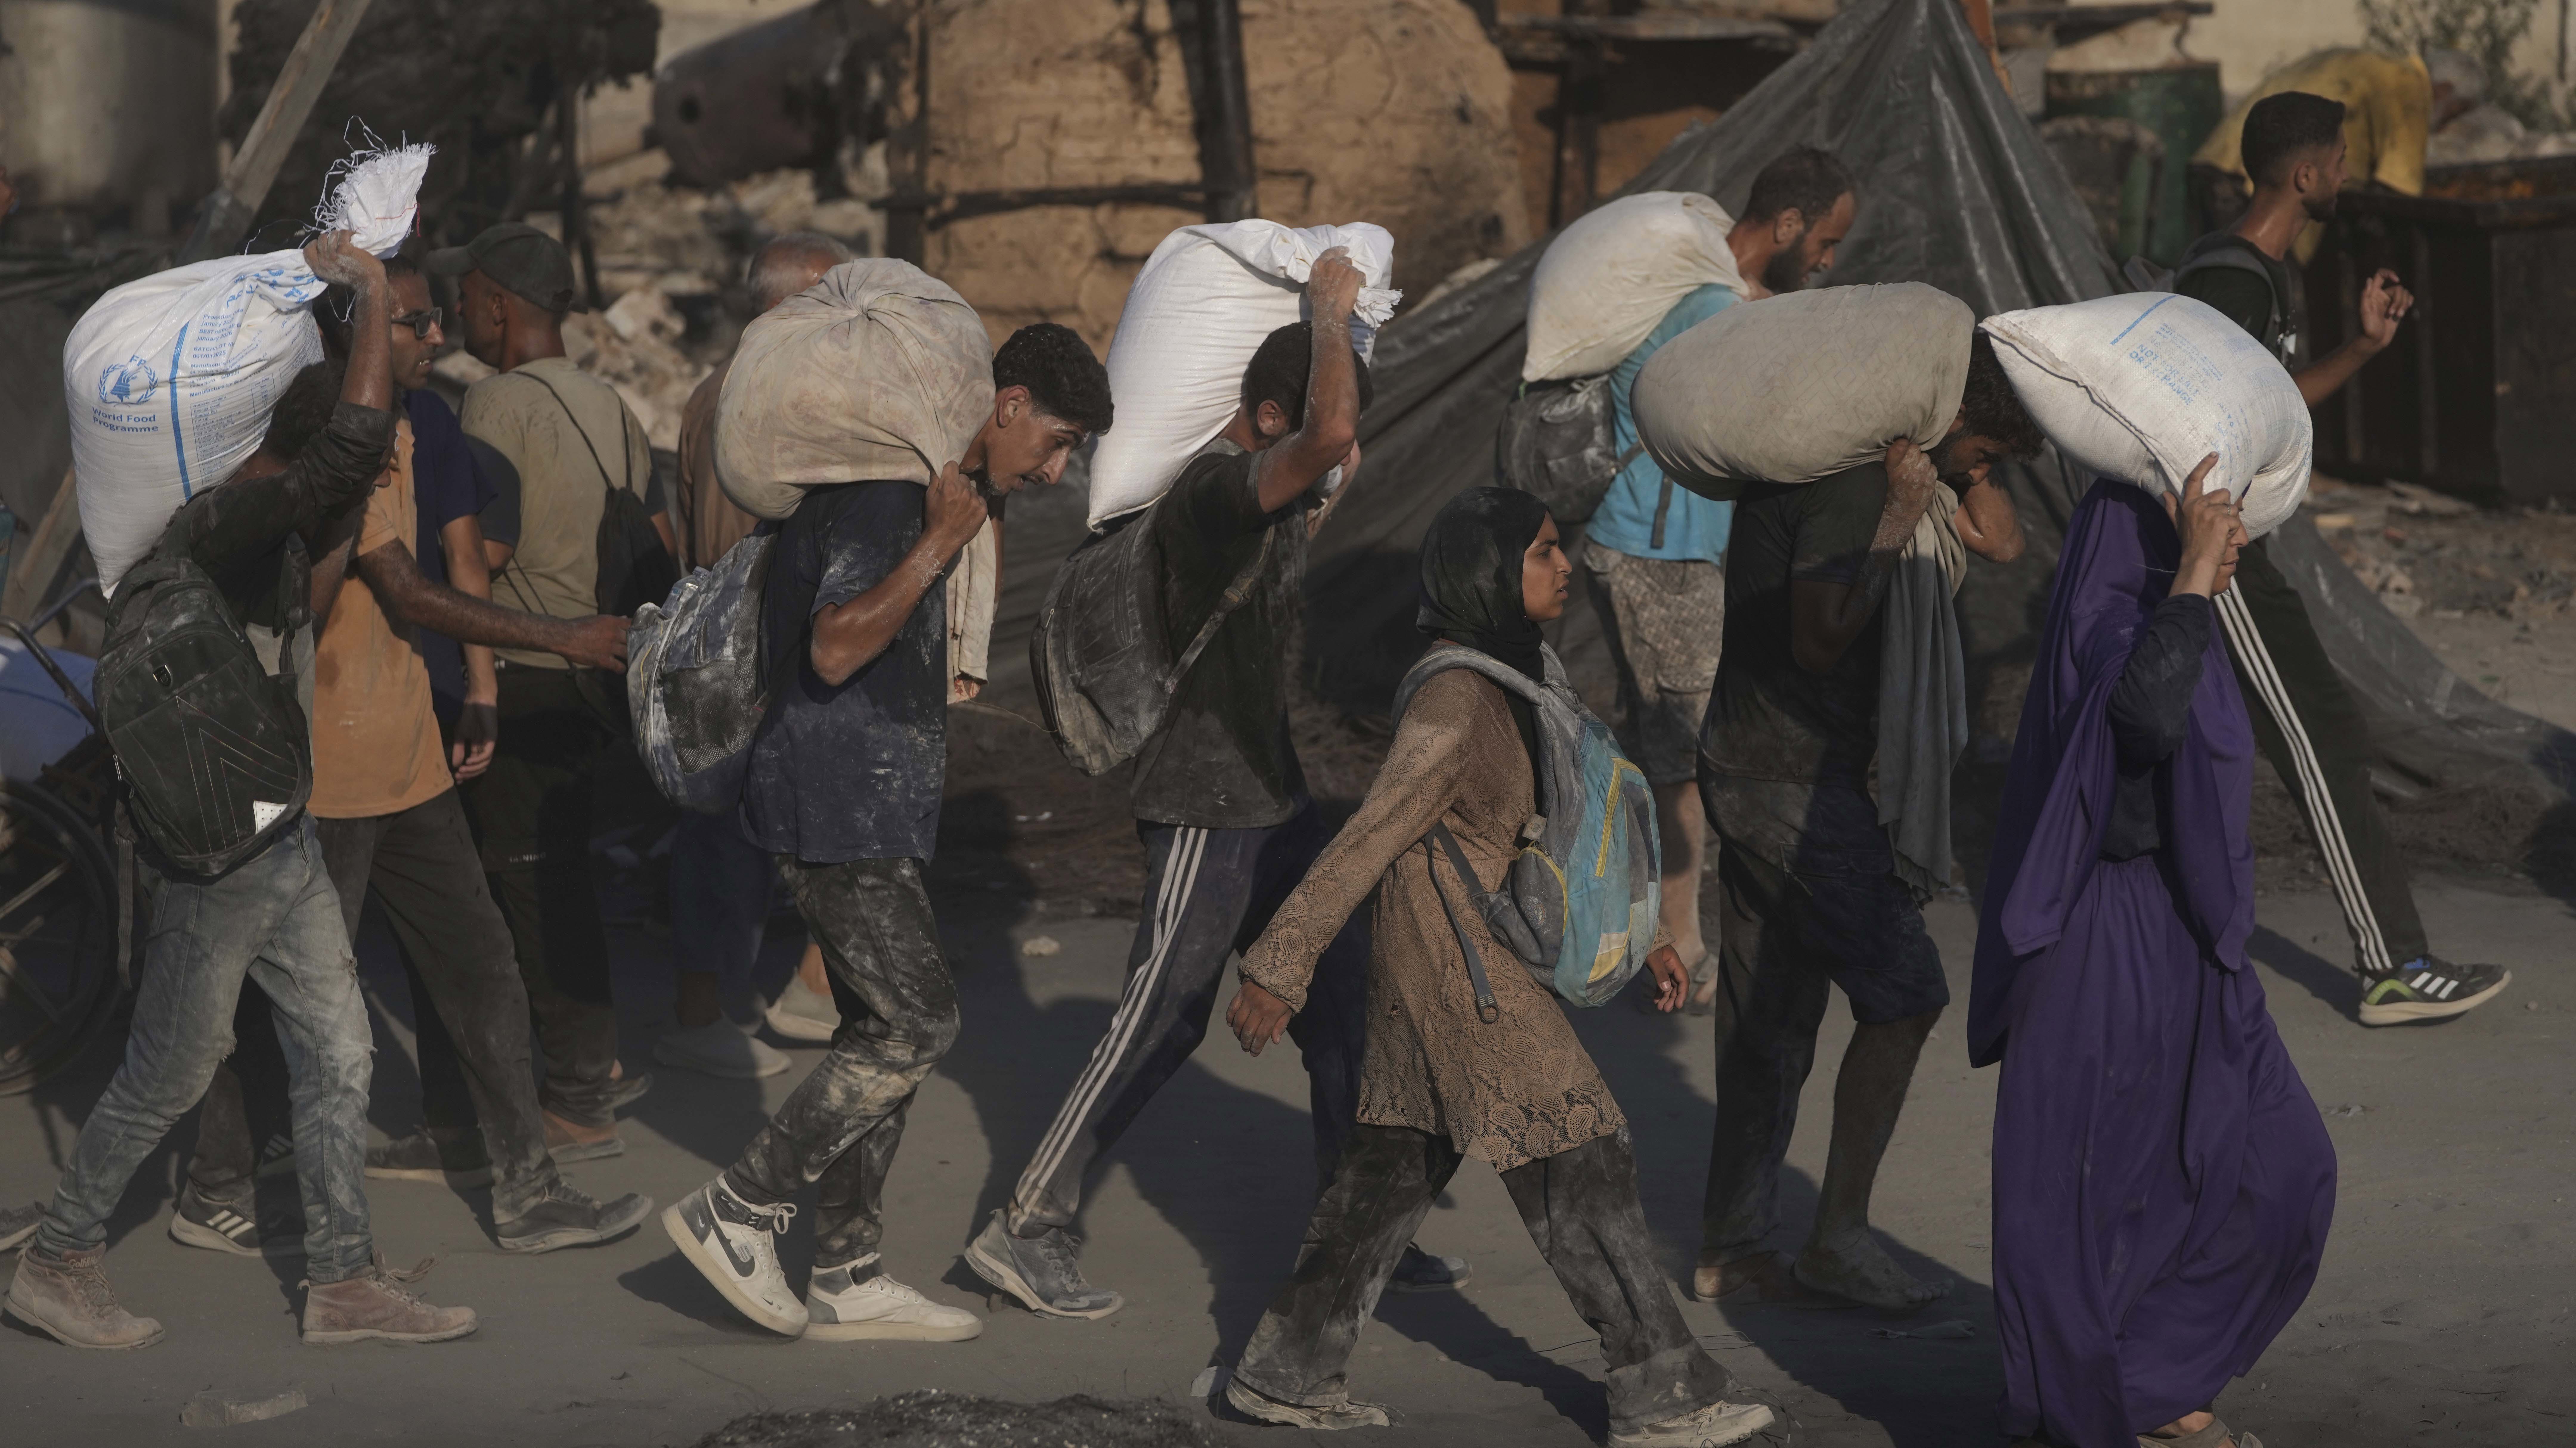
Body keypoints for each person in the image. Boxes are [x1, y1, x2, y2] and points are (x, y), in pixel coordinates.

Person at [1213, 489, 1770, 1446]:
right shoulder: (1455, 698)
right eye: (1543, 551)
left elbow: (1563, 831)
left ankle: (1286, 1369)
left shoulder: (1522, 672)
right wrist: (1282, 965)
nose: (1564, 565)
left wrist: (1641, 936)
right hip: (1458, 965)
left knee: (1393, 1166)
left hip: (1465, 949)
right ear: (1486, 573)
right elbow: (1369, 834)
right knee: (1580, 1152)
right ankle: (1662, 1391)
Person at [967, 257, 1464, 1321]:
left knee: (1346, 995)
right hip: (1205, 798)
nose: (1347, 456)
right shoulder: (1211, 494)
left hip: (1271, 795)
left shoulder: (1272, 507)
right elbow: (1327, 437)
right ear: (1274, 418)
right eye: (1326, 435)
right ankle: (1027, 1224)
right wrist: (1327, 314)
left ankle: (1352, 1224)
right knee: (1165, 1011)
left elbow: (1327, 454)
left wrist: (1340, 373)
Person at [3, 234, 475, 1349]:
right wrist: (369, 294)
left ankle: (345, 1280)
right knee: (171, 1066)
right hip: (221, 846)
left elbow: (301, 600)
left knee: (340, 1048)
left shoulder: (270, 529)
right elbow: (350, 445)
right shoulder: (225, 516)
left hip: (276, 825)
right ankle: (60, 1257)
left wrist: (339, 515)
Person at [662, 321, 1113, 1342]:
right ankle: (740, 1205)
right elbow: (832, 647)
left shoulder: (931, 492)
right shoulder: (887, 500)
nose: (1056, 469)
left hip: (871, 799)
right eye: (1056, 441)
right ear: (1008, 407)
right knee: (919, 1025)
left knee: (880, 1035)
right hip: (834, 798)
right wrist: (940, 543)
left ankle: (848, 1270)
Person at [1973, 461, 2335, 1448]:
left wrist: (2196, 583)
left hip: (2193, 933)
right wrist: (2189, 579)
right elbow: (2143, 715)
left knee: (2288, 1164)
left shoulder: (2185, 617)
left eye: (2231, 517)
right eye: (2210, 514)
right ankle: (2093, 1398)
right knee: (2090, 1196)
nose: (2232, 533)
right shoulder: (2114, 614)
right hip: (2099, 934)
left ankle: (2143, 1376)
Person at [1693, 335, 2040, 1311]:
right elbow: (1819, 640)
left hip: (1761, 762)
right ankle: (1837, 1237)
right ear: (1946, 423)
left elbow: (2003, 541)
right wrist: (1896, 516)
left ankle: (1733, 1247)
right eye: (1982, 452)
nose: (1981, 474)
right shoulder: (1855, 490)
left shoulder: (1885, 465)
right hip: (1791, 781)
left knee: (1773, 1015)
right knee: (1908, 992)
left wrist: (1966, 464)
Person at [2173, 91, 2512, 1025]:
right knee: (2319, 733)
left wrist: (2363, 346)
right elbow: (2188, 427)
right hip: (2222, 554)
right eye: (2341, 161)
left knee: (2245, 740)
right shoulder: (2232, 284)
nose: (2349, 175)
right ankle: (2392, 965)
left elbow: (2272, 401)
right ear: (2306, 173)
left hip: (2231, 548)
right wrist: (2210, 546)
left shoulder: (2259, 273)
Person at [1582, 146, 1855, 1014]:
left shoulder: (1717, 298)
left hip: (1657, 546)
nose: (1828, 260)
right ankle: (1681, 939)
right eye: (1826, 241)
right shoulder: (1711, 308)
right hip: (1657, 551)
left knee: (1669, 747)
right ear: (1786, 225)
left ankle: (1648, 927)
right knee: (1686, 752)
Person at [429, 223, 677, 1162]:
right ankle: (594, 1062)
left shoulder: (492, 404)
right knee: (561, 869)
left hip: (525, 673)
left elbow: (484, 553)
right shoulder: (612, 405)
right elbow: (658, 542)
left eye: (466, 297)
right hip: (601, 674)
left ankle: (577, 1098)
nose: (457, 312)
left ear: (498, 306)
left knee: (530, 883)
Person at [657, 232, 854, 1080]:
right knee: (743, 840)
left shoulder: (712, 391)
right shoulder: (787, 395)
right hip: (765, 645)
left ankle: (774, 993)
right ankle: (723, 1010)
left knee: (735, 835)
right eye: (831, 300)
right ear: (788, 305)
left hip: (722, 642)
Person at [2188, 47, 2435, 250]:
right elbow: (2399, 186)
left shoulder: (2361, 61)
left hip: (2215, 161)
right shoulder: (2407, 82)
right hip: (2253, 185)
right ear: (2446, 90)